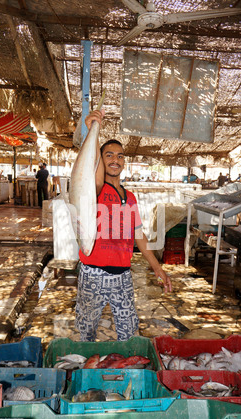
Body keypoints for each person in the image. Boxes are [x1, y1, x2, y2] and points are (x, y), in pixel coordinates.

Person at [75, 109, 172, 342]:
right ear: (100, 159)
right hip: (92, 274)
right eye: (108, 155)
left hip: (122, 276)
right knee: (86, 332)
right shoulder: (94, 190)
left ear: (124, 162)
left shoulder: (130, 198)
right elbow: (93, 170)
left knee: (128, 333)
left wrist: (157, 267)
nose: (114, 160)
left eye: (119, 156)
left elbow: (139, 236)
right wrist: (93, 130)